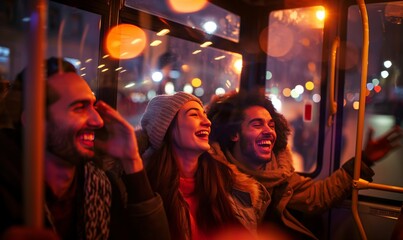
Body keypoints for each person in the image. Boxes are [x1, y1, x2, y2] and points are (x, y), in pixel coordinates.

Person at [0, 57, 170, 240]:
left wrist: (131, 159)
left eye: (94, 106)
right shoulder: (7, 191)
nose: (97, 121)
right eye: (79, 108)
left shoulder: (100, 185)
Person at [207, 91, 403, 240]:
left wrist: (365, 159)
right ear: (234, 134)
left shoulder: (278, 175)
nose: (268, 131)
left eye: (271, 125)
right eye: (257, 124)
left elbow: (318, 196)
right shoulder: (216, 178)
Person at [138, 92, 269, 240]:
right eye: (194, 115)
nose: (207, 122)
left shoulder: (230, 184)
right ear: (166, 128)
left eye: (205, 114)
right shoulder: (144, 189)